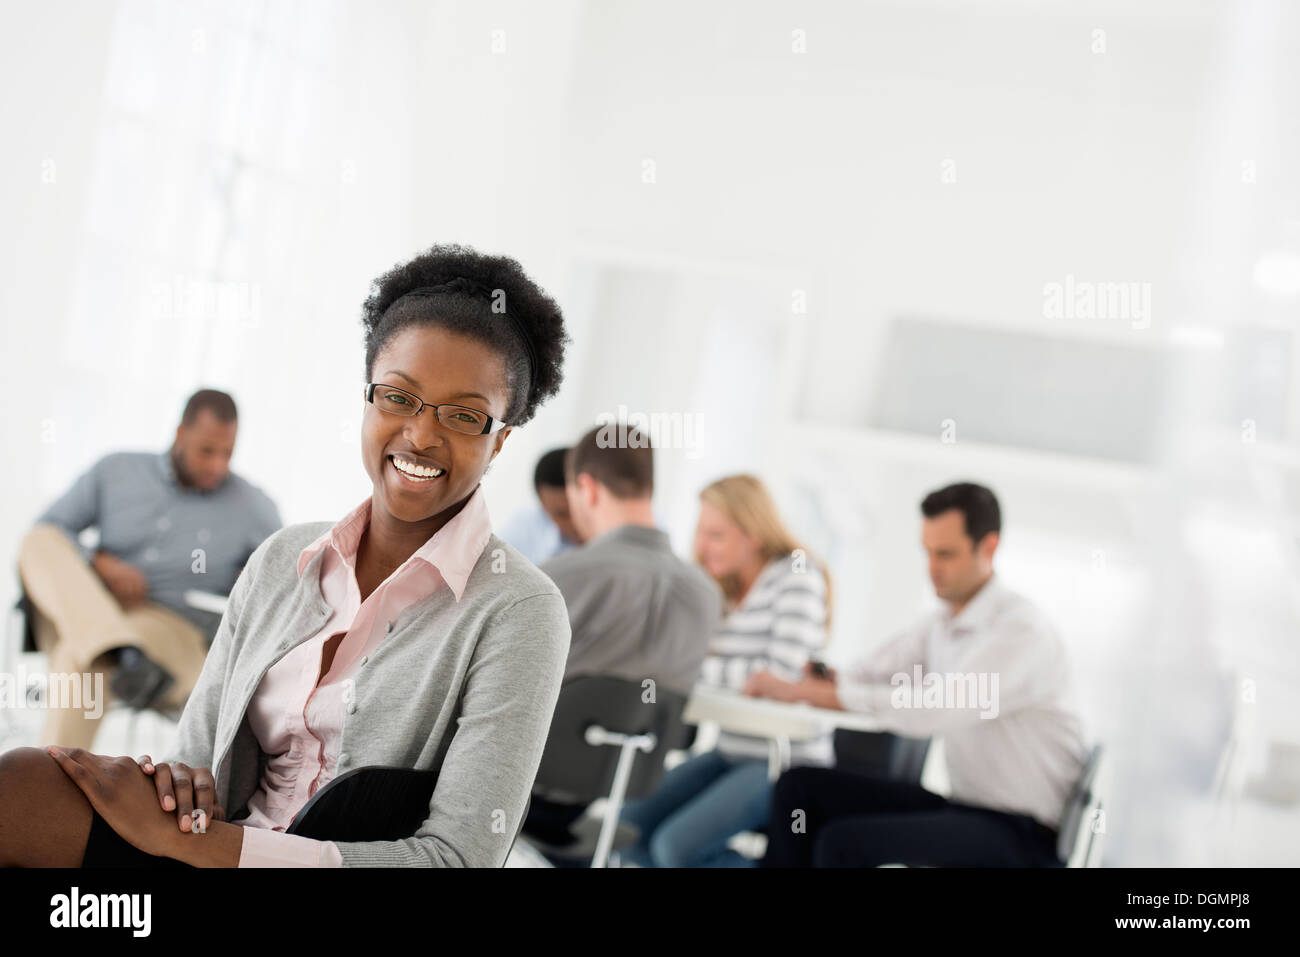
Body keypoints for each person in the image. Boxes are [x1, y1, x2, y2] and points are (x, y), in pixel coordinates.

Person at [0, 242, 573, 868]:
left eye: (466, 415)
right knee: (23, 785)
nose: (422, 434)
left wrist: (219, 849)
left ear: (500, 442)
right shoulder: (283, 558)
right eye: (398, 396)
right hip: (201, 849)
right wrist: (170, 794)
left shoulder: (519, 609)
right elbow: (196, 766)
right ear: (367, 398)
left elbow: (458, 858)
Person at [756, 482, 1089, 867]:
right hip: (967, 810)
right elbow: (871, 673)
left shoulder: (1020, 631)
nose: (932, 568)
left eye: (945, 554)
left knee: (842, 844)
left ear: (989, 547)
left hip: (1022, 835)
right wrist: (825, 681)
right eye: (927, 553)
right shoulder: (942, 623)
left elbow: (936, 708)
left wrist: (816, 695)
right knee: (799, 789)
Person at [18, 389, 282, 749]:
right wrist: (99, 562)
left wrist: (251, 583)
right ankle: (116, 647)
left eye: (227, 454)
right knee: (39, 540)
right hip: (93, 604)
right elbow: (54, 529)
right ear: (180, 434)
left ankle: (45, 798)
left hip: (167, 625)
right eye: (207, 450)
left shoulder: (253, 506)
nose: (217, 466)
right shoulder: (116, 470)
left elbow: (285, 578)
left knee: (81, 659)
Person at [618, 474, 833, 867]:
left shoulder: (798, 577)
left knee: (676, 848)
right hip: (731, 749)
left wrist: (696, 667)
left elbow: (777, 675)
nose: (701, 546)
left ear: (754, 533)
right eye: (701, 532)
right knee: (627, 827)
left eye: (716, 534)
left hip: (784, 761)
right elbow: (680, 657)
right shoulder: (724, 591)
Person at [522, 425, 722, 848]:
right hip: (614, 789)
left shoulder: (559, 577)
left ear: (587, 489)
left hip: (522, 789)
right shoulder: (707, 595)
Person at [498, 447, 582, 564]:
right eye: (562, 514)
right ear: (543, 505)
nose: (575, 522)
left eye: (580, 510)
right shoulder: (523, 528)